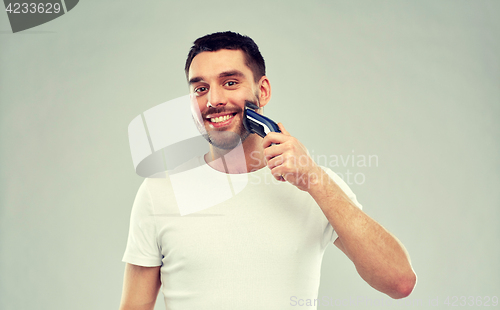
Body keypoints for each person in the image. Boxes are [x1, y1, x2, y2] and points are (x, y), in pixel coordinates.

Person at [119, 31, 416, 310]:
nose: (213, 100)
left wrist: (313, 179)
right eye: (200, 88)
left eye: (231, 82)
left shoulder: (312, 184)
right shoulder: (160, 191)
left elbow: (399, 281)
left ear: (262, 91)